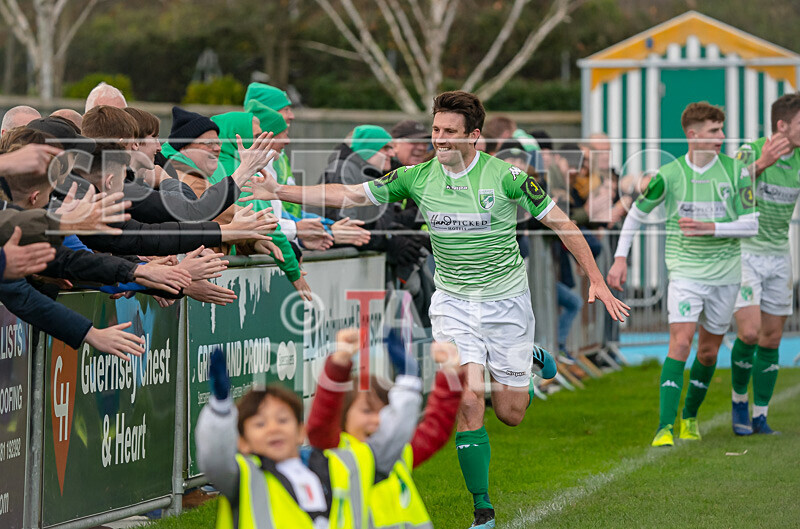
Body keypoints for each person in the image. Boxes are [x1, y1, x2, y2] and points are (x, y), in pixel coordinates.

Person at [242, 90, 628, 529]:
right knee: (467, 398)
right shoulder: (416, 176)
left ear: (474, 137)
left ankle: (531, 355)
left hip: (506, 304)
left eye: (449, 133)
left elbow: (563, 223)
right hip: (454, 303)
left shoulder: (508, 178)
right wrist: (279, 189)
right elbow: (348, 194)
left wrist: (596, 279)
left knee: (511, 412)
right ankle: (483, 509)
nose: (439, 140)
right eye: (436, 131)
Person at [607, 102, 757, 448]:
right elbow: (635, 215)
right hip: (685, 272)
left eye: (722, 130)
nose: (721, 137)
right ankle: (664, 427)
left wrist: (710, 228)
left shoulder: (738, 173)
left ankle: (689, 415)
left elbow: (752, 223)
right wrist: (619, 258)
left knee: (707, 353)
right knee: (681, 341)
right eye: (714, 131)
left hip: (726, 275)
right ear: (693, 135)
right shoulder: (669, 175)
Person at [196, 329, 422, 528]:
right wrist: (220, 409)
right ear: (242, 441)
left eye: (283, 420)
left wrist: (409, 383)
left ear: (301, 432)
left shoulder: (343, 465)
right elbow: (214, 458)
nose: (273, 428)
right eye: (260, 423)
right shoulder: (243, 476)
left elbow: (390, 440)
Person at [308, 328, 464, 529]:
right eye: (367, 411)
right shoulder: (337, 454)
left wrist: (452, 373)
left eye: (385, 412)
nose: (377, 420)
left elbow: (437, 426)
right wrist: (339, 362)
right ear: (343, 416)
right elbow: (320, 423)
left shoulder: (397, 452)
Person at [730, 93, 800, 436]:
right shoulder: (749, 150)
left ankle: (760, 415)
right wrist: (761, 165)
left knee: (772, 339)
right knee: (750, 332)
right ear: (782, 125)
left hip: (779, 256)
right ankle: (739, 400)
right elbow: (727, 189)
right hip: (745, 253)